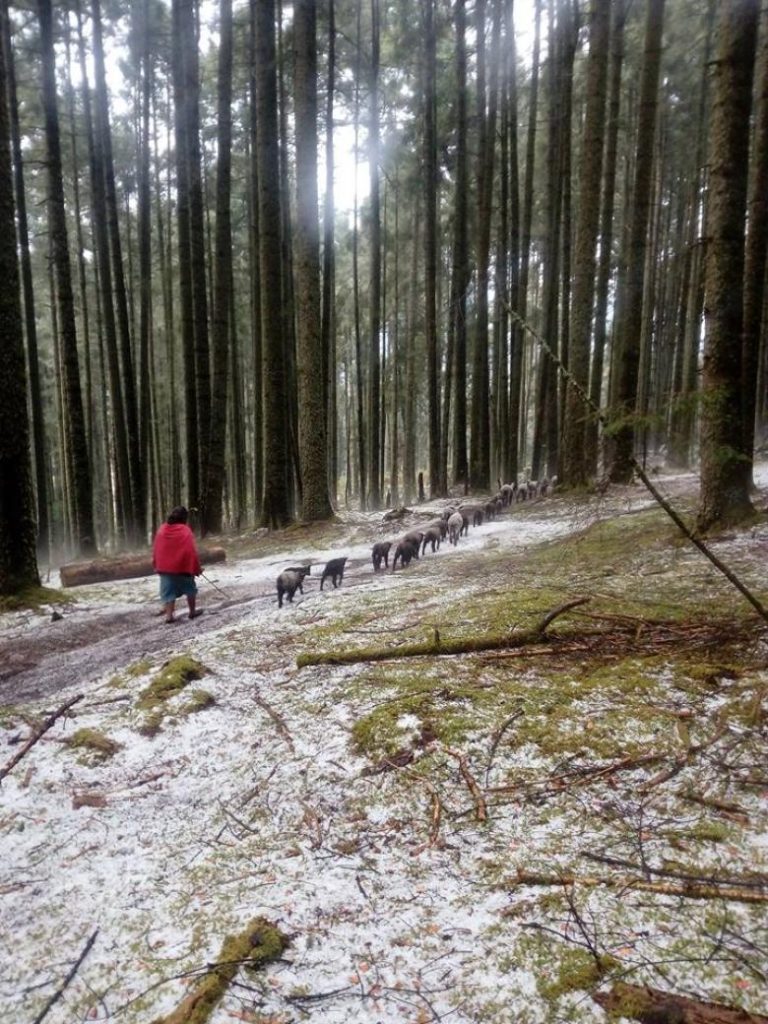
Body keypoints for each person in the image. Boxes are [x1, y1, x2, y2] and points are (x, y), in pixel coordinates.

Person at [152, 506, 203, 623]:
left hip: (165, 569)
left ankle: (169, 616)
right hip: (183, 568)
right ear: (185, 518)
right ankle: (192, 611)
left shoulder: (162, 529)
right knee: (190, 588)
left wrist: (156, 564)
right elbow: (191, 552)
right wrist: (196, 568)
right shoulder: (185, 530)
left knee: (168, 591)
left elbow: (156, 549)